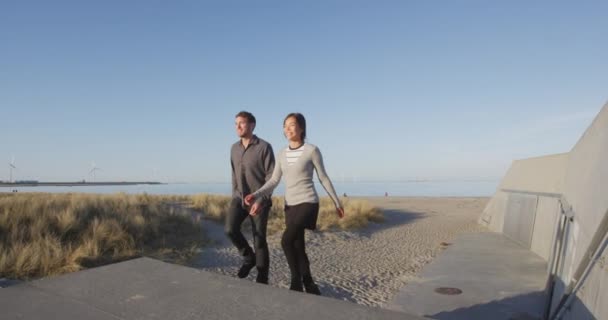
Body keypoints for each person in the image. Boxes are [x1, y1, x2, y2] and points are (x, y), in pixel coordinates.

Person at [245, 112, 344, 295]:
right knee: (298, 247)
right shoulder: (281, 153)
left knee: (285, 241)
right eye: (285, 125)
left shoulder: (311, 150)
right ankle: (310, 284)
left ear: (301, 128)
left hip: (308, 203)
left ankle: (295, 281)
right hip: (290, 206)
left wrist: (337, 202)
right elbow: (274, 181)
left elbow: (323, 177)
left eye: (292, 125)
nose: (287, 129)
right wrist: (256, 195)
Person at [226, 111, 275, 284]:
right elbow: (234, 174)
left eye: (242, 123)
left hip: (260, 200)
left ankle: (262, 278)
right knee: (230, 229)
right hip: (239, 198)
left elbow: (272, 177)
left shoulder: (264, 147)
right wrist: (235, 195)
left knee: (259, 238)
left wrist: (261, 200)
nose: (237, 126)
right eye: (235, 123)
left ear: (252, 125)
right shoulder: (234, 148)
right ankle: (249, 258)